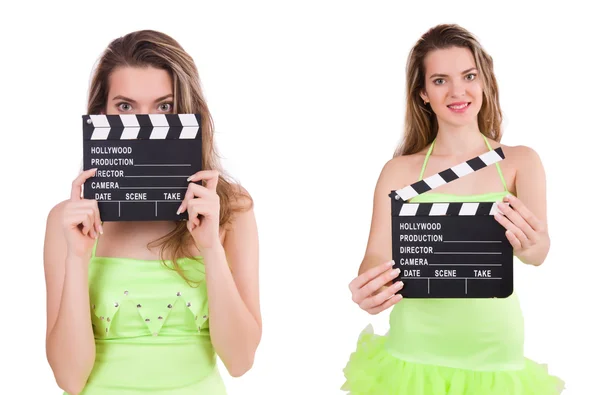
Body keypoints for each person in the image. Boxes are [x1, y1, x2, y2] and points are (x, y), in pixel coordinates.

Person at [343, 24, 564, 394]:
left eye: (469, 76)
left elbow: (538, 253)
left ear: (485, 82)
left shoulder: (520, 162)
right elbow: (376, 255)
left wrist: (531, 242)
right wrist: (371, 285)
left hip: (494, 350)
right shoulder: (399, 171)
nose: (458, 91)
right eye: (441, 80)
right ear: (424, 94)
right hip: (413, 350)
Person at [43, 30, 261, 395]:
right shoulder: (67, 221)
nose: (144, 125)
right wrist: (77, 258)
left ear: (189, 114)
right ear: (101, 114)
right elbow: (69, 377)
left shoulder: (230, 210)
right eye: (125, 107)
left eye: (164, 107)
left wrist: (211, 248)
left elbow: (240, 361)